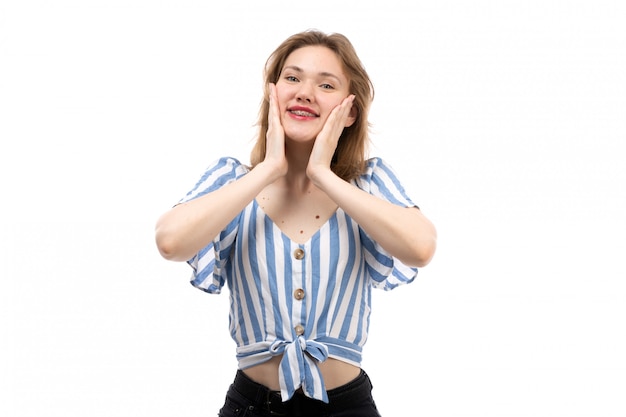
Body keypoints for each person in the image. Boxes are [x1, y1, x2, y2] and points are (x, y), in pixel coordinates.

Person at [155, 29, 437, 417]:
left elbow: (421, 247)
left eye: (325, 84)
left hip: (346, 407)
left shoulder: (368, 184)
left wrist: (324, 174)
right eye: (292, 78)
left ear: (350, 111)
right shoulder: (232, 180)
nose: (305, 92)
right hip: (253, 406)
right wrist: (269, 168)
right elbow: (170, 241)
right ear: (272, 94)